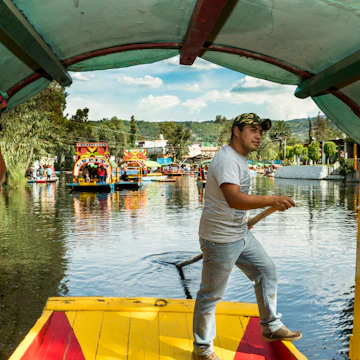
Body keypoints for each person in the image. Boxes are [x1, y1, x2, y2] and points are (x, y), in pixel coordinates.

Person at [192, 113, 301, 360]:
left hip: (239, 233)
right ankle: (202, 350)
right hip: (219, 238)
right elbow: (234, 199)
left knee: (266, 272)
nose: (259, 135)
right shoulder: (226, 160)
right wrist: (272, 199)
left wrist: (243, 222)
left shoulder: (238, 159)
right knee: (211, 295)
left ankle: (271, 326)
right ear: (236, 131)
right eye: (253, 130)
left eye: (261, 131)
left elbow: (234, 203)